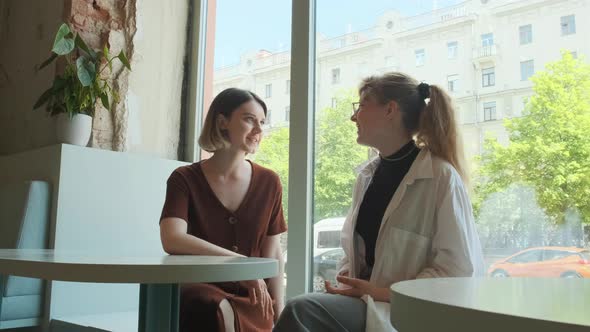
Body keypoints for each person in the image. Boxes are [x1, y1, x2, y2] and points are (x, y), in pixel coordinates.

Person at [274, 72, 484, 332]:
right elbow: (354, 254)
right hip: (367, 304)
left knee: (301, 310)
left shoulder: (440, 177)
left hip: (406, 313)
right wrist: (348, 283)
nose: (353, 116)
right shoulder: (366, 177)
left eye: (361, 106)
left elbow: (458, 271)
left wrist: (382, 292)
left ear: (390, 110)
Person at [160, 88, 287, 332]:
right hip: (200, 293)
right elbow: (172, 238)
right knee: (212, 307)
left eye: (262, 122)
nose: (259, 130)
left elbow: (273, 253)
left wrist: (278, 309)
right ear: (222, 122)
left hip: (254, 300)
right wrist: (240, 264)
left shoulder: (269, 182)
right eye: (250, 119)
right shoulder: (184, 179)